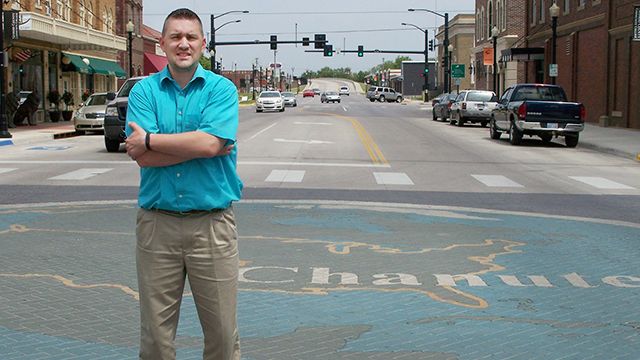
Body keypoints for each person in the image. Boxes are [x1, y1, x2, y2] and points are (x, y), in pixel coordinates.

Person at [124, 8, 242, 360]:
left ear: (203, 44)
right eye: (175, 36)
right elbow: (143, 156)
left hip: (212, 226)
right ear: (162, 43)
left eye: (191, 37)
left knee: (222, 335)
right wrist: (205, 145)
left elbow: (208, 144)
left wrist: (150, 141)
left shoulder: (222, 89)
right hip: (156, 226)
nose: (183, 44)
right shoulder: (143, 92)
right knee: (156, 340)